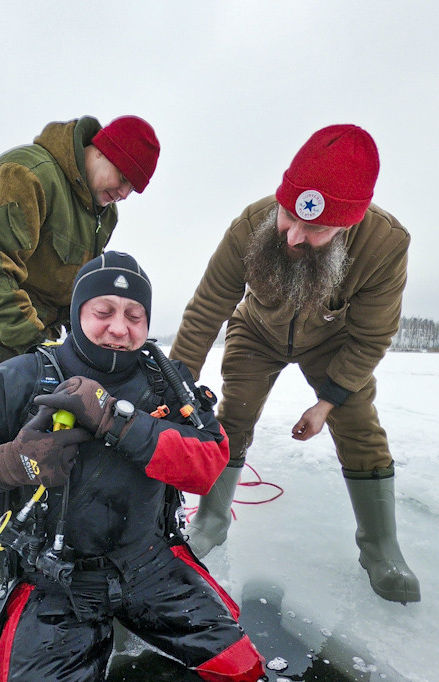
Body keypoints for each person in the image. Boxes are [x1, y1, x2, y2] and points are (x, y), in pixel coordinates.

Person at [0, 252, 265, 682]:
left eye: (135, 315)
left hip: (151, 563)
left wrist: (117, 421)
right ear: (79, 311)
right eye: (103, 309)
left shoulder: (166, 381)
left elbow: (207, 464)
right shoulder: (22, 376)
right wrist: (13, 462)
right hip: (56, 580)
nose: (119, 327)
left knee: (243, 671)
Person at [170, 124, 420, 605]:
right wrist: (175, 378)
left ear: (347, 225)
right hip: (257, 331)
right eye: (290, 218)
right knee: (234, 416)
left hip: (333, 341)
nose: (295, 236)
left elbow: (372, 336)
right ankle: (211, 519)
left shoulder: (385, 245)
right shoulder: (253, 223)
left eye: (316, 230)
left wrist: (328, 402)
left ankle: (380, 548)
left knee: (359, 424)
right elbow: (208, 306)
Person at [0, 114, 160, 587]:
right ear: (99, 152)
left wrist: (77, 340)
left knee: (49, 422)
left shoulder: (104, 213)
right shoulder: (26, 175)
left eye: (133, 189)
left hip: (43, 326)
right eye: (122, 178)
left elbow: (77, 288)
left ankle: (42, 524)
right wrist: (34, 346)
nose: (124, 193)